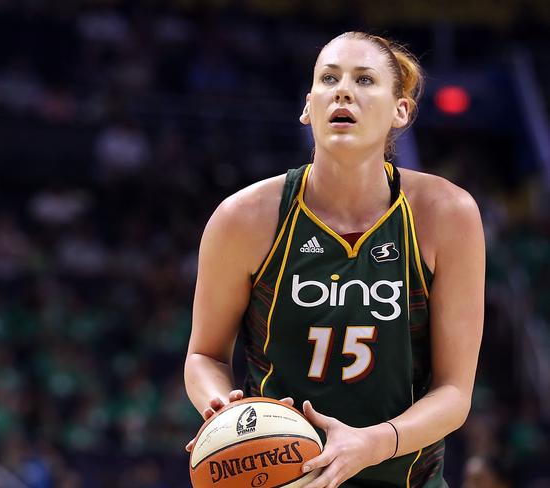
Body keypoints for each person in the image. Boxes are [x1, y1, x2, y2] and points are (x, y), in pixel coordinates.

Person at [184, 31, 484, 487]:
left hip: (405, 477)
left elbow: (455, 393)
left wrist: (373, 443)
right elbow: (204, 355)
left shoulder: (447, 214)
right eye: (329, 78)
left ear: (400, 110)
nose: (343, 90)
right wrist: (227, 412)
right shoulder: (242, 218)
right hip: (284, 475)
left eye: (364, 80)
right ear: (308, 107)